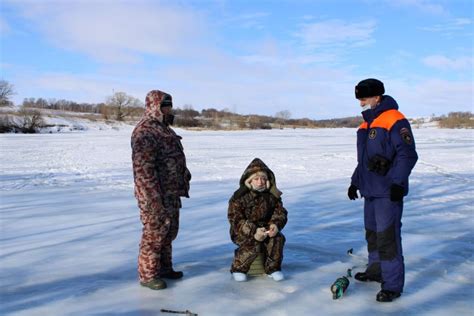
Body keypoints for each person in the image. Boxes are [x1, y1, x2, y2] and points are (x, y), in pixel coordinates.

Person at [348, 78, 418, 302]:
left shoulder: (395, 120)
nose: (360, 103)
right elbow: (364, 161)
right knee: (372, 235)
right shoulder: (365, 124)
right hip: (370, 191)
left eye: (364, 98)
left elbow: (407, 154)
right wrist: (355, 182)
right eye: (359, 99)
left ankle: (392, 285)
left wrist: (397, 182)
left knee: (388, 238)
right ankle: (376, 271)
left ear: (377, 97)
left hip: (388, 191)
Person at [131, 90, 191, 290]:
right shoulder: (145, 131)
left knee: (169, 232)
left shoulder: (165, 129)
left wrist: (184, 173)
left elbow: (172, 157)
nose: (169, 109)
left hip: (171, 192)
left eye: (170, 105)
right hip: (154, 194)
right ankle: (148, 275)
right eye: (165, 105)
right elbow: (143, 170)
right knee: (154, 234)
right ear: (155, 106)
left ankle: (164, 268)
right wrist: (151, 198)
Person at [228, 158, 288, 282]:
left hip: (265, 228)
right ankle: (239, 269)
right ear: (250, 180)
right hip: (243, 230)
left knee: (277, 238)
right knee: (253, 241)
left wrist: (275, 225)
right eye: (256, 179)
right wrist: (254, 231)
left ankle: (273, 269)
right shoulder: (239, 197)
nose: (260, 182)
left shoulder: (272, 195)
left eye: (263, 179)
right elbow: (235, 219)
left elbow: (280, 213)